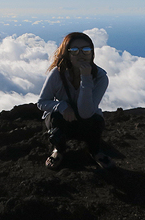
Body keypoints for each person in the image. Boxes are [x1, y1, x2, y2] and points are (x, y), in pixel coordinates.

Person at [37, 32, 114, 169]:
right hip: (64, 119)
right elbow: (42, 102)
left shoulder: (100, 77)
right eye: (74, 50)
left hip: (87, 120)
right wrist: (62, 106)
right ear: (67, 54)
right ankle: (58, 150)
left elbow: (86, 113)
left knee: (96, 120)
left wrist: (86, 78)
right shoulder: (57, 74)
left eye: (86, 50)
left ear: (92, 53)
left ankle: (95, 151)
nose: (81, 54)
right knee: (55, 118)